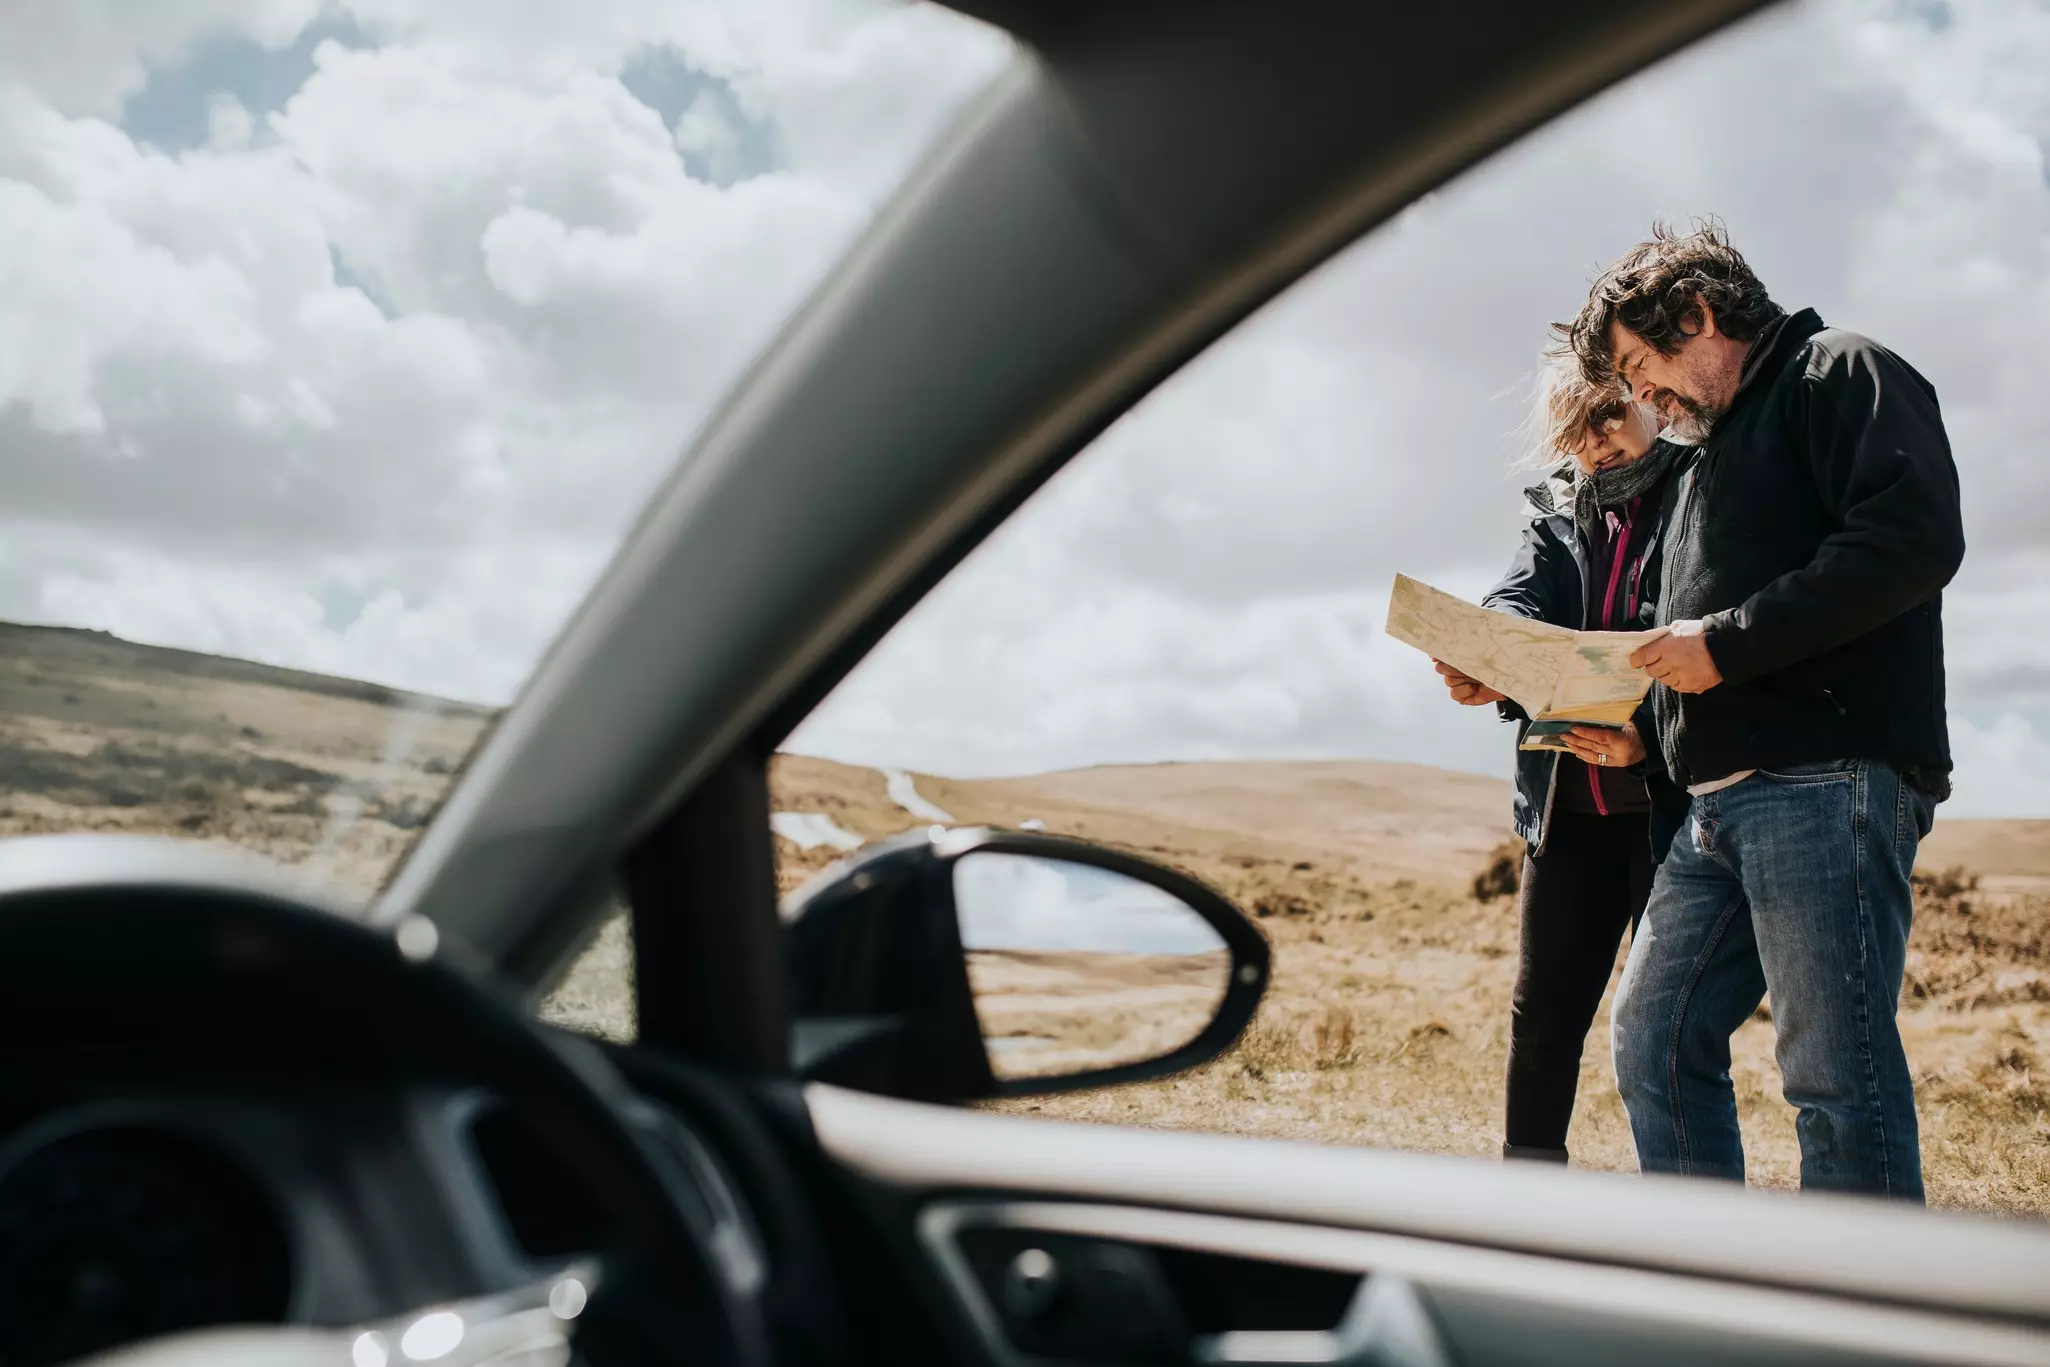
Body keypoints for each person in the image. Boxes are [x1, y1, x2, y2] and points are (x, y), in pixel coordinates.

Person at [1563, 221, 1964, 1199]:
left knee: (1835, 1076)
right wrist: (1641, 734)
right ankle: (1710, 1283)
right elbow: (1696, 655)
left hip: (1826, 782)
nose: (1638, 392)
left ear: (1696, 313)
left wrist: (1725, 643)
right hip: (1709, 808)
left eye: (1638, 361)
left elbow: (1909, 539)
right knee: (1651, 1041)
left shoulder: (1840, 370)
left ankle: (1860, 1329)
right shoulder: (1704, 462)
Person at [1433, 355, 1688, 1166]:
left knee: (1667, 1029)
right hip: (1567, 813)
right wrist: (1490, 655)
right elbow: (1521, 594)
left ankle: (1685, 1206)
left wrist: (1647, 729)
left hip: (1669, 812)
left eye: (1608, 416)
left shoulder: (1700, 489)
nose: (1595, 441)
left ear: (1651, 401)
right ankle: (1525, 1189)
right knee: (1541, 1014)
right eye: (1575, 428)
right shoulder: (1556, 505)